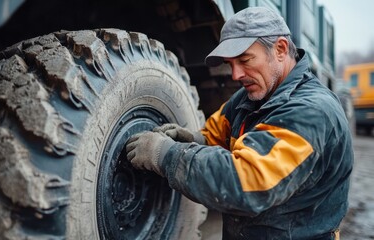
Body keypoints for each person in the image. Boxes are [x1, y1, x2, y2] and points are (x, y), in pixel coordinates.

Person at [125, 6, 353, 239]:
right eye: (230, 63)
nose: (235, 75)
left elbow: (247, 181)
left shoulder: (311, 111)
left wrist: (165, 154)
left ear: (281, 49)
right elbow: (218, 133)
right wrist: (194, 139)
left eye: (245, 60)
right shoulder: (250, 96)